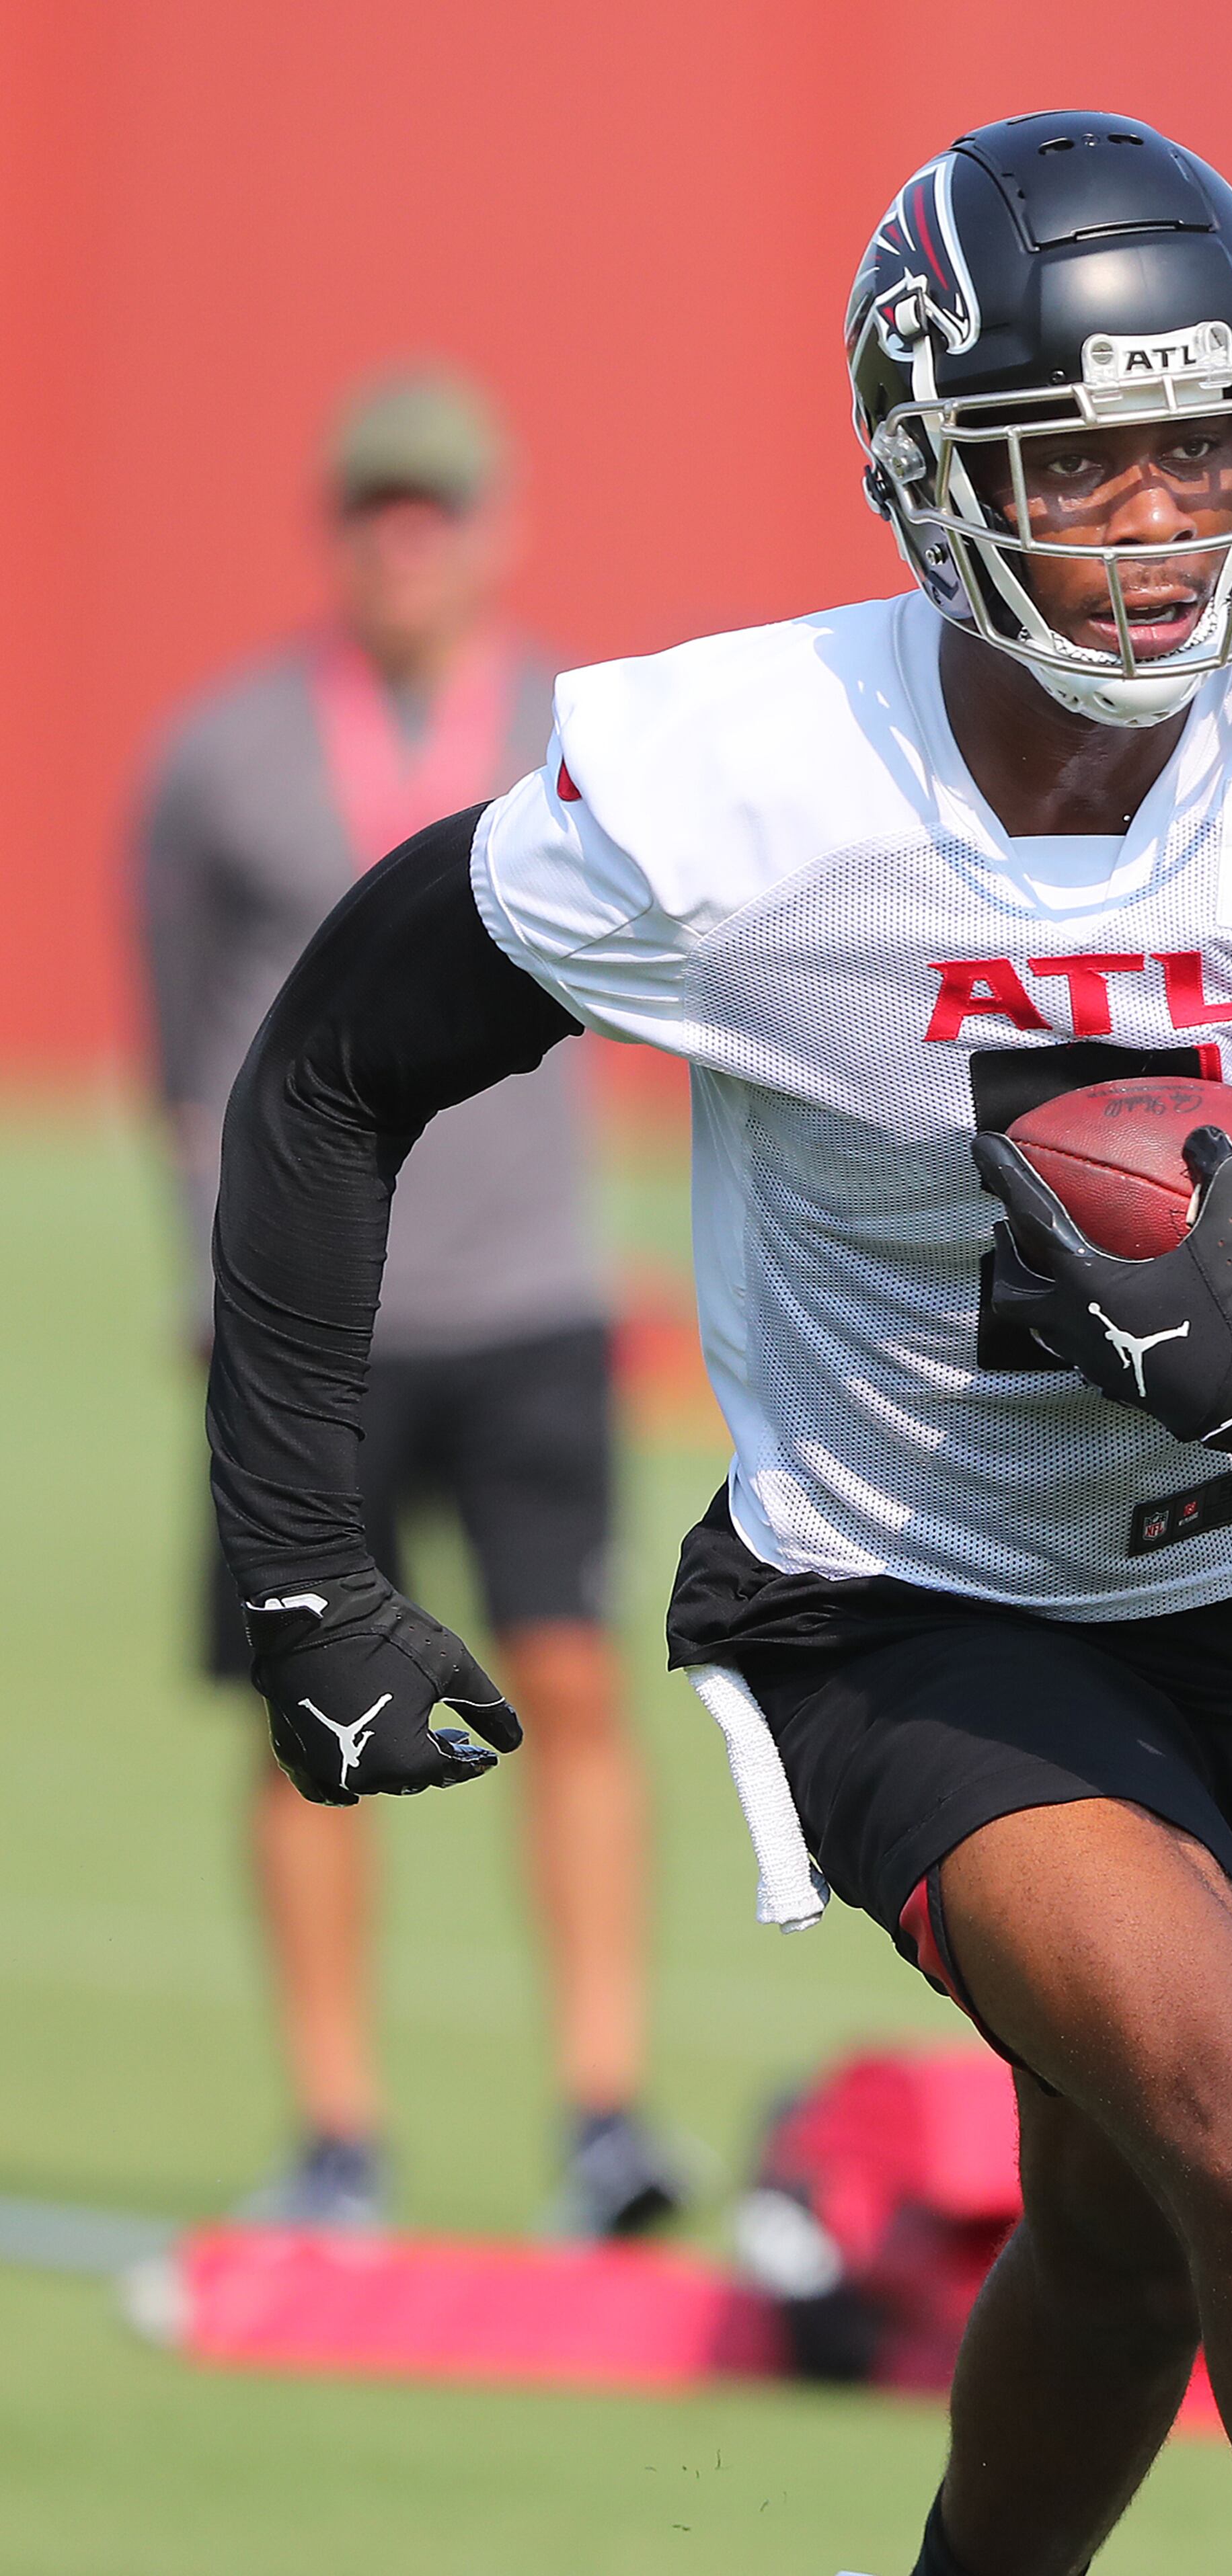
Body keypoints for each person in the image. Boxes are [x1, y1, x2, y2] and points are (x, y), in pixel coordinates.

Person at [201, 114, 1232, 2576]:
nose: (1159, 511)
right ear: (929, 473)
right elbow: (336, 1061)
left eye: (1205, 440)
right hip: (920, 1598)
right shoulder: (732, 791)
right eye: (1079, 454)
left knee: (1114, 2228)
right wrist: (296, 1564)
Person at [137, 369, 682, 2238]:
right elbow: (178, 1039)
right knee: (308, 1707)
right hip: (312, 1325)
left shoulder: (582, 732)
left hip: (534, 1294)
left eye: (437, 506)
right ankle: (336, 2133)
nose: (406, 540)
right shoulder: (222, 756)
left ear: (498, 525)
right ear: (337, 524)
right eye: (377, 505)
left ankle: (603, 2118)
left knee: (580, 1686)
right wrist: (193, 1267)